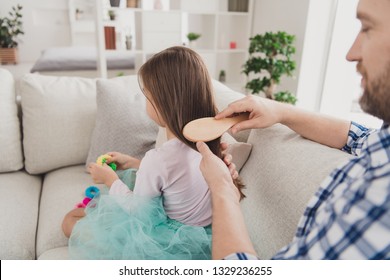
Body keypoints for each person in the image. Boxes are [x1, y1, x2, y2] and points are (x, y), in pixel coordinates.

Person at [197, 0, 390, 260]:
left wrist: (222, 189)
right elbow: (358, 137)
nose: (351, 53)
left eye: (367, 28)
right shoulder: (383, 146)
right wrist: (281, 111)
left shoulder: (380, 203)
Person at [61, 46, 243, 260]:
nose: (145, 102)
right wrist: (133, 164)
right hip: (203, 235)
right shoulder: (211, 141)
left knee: (69, 220)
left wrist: (110, 180)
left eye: (147, 96)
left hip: (162, 240)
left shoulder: (158, 159)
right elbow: (176, 179)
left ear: (163, 103)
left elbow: (139, 212)